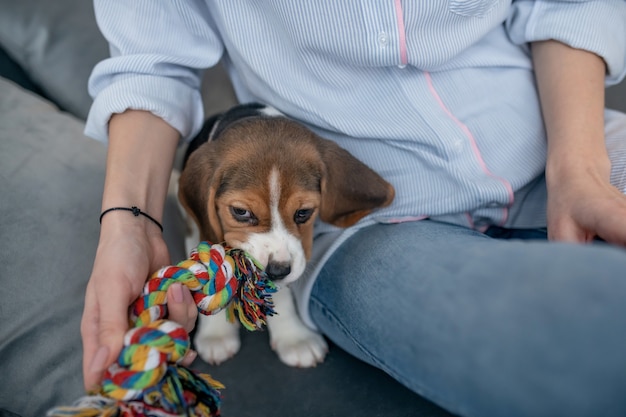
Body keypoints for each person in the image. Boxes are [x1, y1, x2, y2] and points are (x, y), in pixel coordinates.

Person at [82, 1, 626, 416]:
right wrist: (130, 221)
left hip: (578, 144)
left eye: (297, 215)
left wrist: (580, 170)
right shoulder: (226, 176)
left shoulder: (317, 189)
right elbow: (149, 62)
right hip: (371, 226)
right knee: (578, 329)